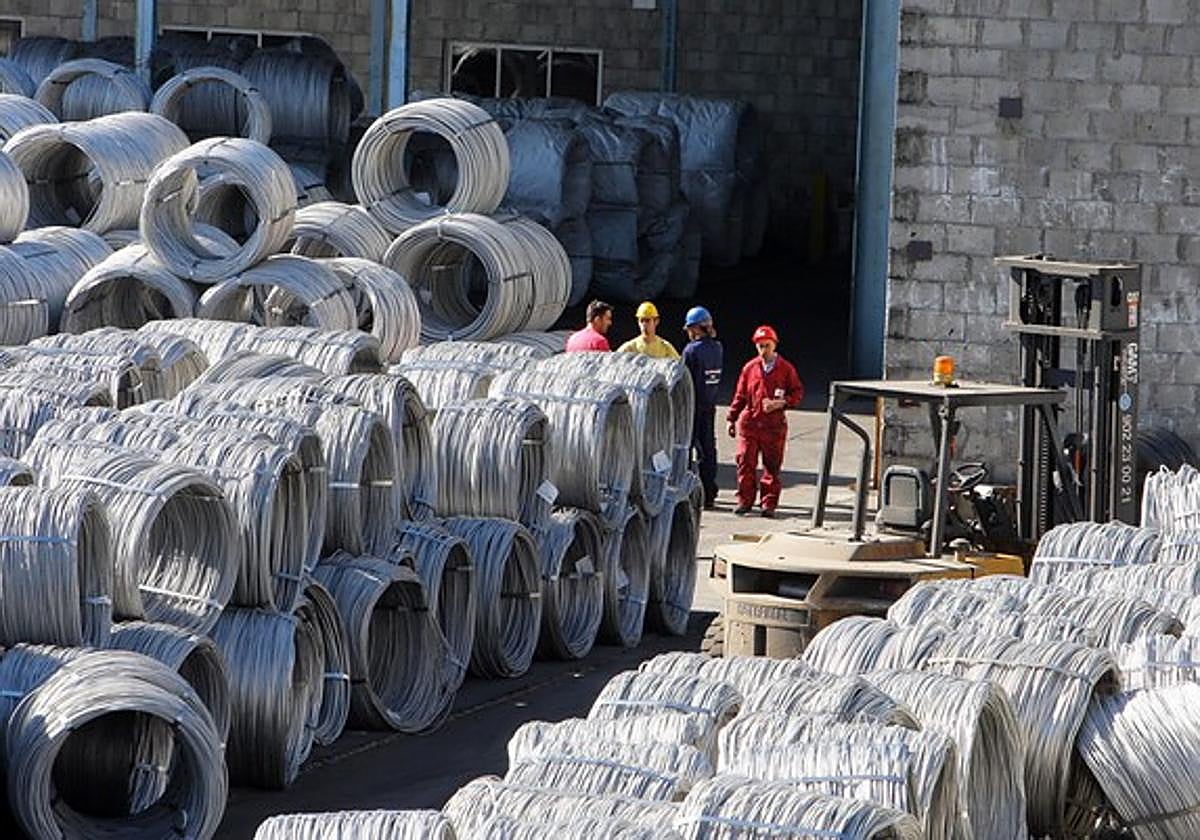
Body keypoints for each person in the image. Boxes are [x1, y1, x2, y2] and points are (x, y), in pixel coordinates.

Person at [727, 325, 803, 518]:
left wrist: (781, 403)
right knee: (745, 461)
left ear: (774, 345)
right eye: (760, 346)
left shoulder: (785, 369)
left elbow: (797, 392)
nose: (763, 350)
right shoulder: (750, 368)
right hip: (750, 423)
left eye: (767, 346)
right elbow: (740, 395)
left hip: (773, 426)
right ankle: (745, 500)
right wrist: (732, 418)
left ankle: (768, 503)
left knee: (772, 466)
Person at [682, 306, 722, 509]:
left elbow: (684, 381)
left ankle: (687, 490)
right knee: (708, 450)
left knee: (686, 449)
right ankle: (709, 492)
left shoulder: (691, 351)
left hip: (693, 407)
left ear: (696, 328)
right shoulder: (717, 348)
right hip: (710, 405)